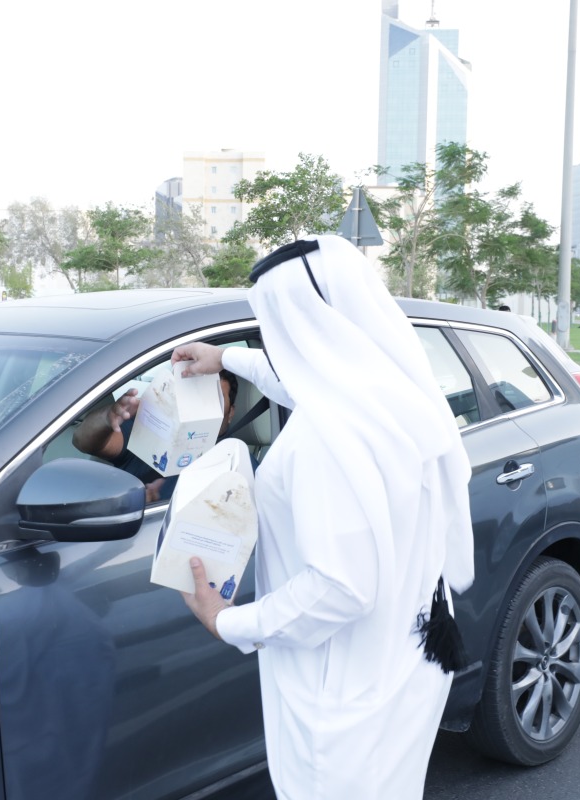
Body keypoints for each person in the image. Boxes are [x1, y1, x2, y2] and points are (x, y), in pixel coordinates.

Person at [173, 235, 475, 800]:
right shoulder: (394, 392)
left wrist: (229, 622)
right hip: (403, 663)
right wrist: (227, 357)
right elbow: (312, 377)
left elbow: (341, 588)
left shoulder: (322, 443)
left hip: (344, 703)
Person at [72, 369, 240, 503]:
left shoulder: (236, 461)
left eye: (214, 397)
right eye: (196, 393)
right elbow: (81, 440)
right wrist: (109, 417)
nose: (203, 403)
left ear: (231, 413)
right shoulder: (151, 429)